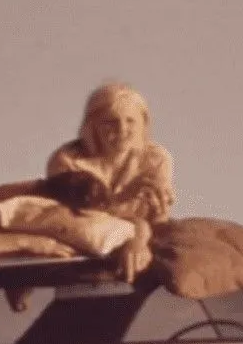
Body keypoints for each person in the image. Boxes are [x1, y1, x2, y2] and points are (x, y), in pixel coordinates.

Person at [46, 82, 175, 281]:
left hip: (139, 253)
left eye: (130, 121)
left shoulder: (156, 159)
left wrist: (158, 213)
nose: (122, 129)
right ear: (92, 126)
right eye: (110, 122)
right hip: (81, 257)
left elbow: (159, 221)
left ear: (143, 124)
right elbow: (76, 222)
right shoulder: (68, 161)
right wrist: (124, 199)